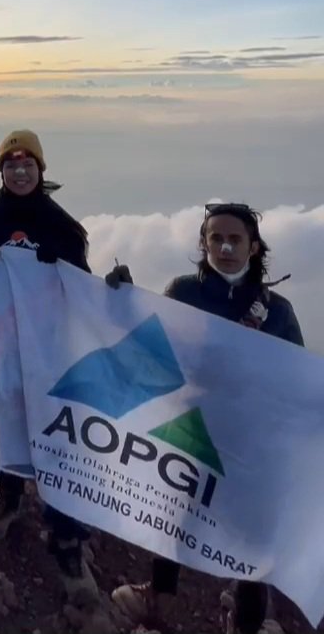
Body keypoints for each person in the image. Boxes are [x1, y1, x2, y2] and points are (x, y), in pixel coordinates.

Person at [110, 202, 303, 634]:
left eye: (235, 239)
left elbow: (296, 379)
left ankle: (248, 620)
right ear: (204, 243)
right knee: (175, 508)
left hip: (252, 439)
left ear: (254, 247)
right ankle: (159, 598)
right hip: (193, 425)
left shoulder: (278, 312)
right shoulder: (183, 293)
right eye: (216, 238)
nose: (225, 247)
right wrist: (121, 299)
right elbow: (151, 340)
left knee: (253, 535)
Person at [0, 129, 112, 601]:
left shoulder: (63, 227)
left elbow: (83, 294)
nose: (19, 171)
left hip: (51, 354)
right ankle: (7, 500)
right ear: (0, 171)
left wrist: (74, 270)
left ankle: (66, 538)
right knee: (4, 420)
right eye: (10, 164)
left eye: (28, 164)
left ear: (41, 171)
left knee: (55, 438)